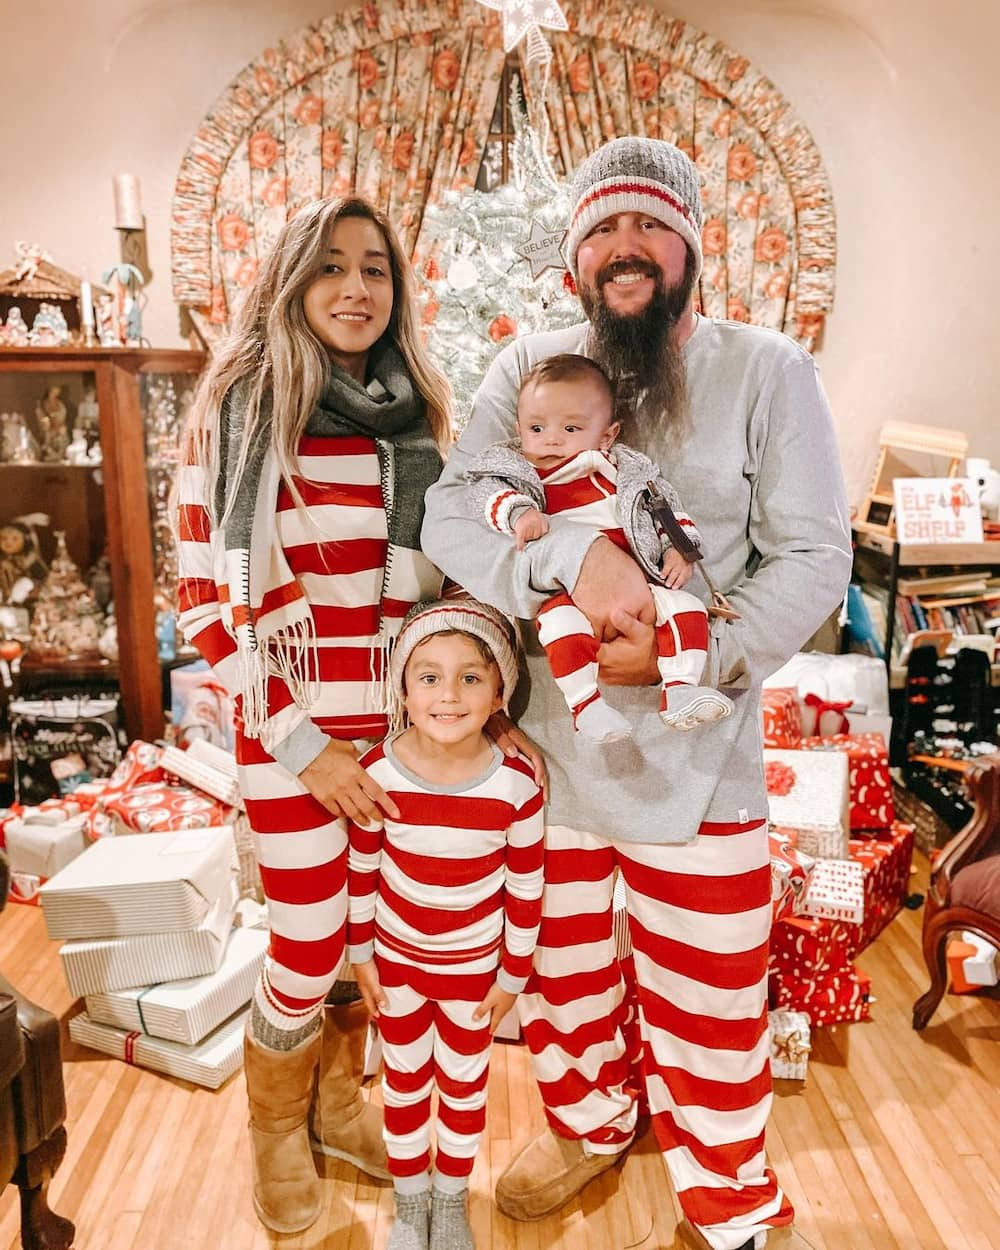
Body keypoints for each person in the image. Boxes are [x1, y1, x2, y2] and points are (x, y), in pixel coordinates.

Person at [422, 137, 852, 1250]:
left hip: (703, 763)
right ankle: (591, 1120)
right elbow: (456, 508)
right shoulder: (530, 366)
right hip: (558, 753)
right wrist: (563, 561)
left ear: (688, 247)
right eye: (601, 229)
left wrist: (694, 653)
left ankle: (728, 1196)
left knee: (711, 998)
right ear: (573, 258)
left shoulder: (768, 370)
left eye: (647, 225)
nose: (625, 247)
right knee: (564, 974)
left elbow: (811, 556)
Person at [174, 195, 453, 1235]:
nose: (354, 288)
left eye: (374, 268)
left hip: (397, 731)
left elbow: (437, 589)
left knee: (371, 935)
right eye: (331, 266)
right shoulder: (240, 408)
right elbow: (206, 600)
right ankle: (275, 1133)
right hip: (286, 730)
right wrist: (304, 744)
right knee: (305, 941)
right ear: (293, 280)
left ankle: (339, 1104)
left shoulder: (413, 413)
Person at [348, 598, 545, 1250]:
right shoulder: (378, 771)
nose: (448, 694)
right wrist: (362, 957)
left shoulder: (516, 784)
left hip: (474, 975)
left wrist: (513, 974)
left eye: (470, 677)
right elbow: (363, 871)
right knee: (404, 1087)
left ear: (499, 694)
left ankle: (451, 1200)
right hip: (398, 968)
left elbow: (526, 885)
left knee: (463, 1090)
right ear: (404, 689)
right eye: (428, 676)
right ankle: (411, 1204)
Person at [464, 352, 732, 741]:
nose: (552, 439)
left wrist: (680, 551)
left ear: (607, 435)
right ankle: (586, 706)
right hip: (569, 593)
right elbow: (485, 494)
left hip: (642, 584)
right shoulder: (521, 472)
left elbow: (667, 511)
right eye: (536, 428)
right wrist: (519, 513)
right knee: (558, 627)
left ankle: (680, 689)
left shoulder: (629, 473)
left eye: (571, 428)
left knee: (686, 608)